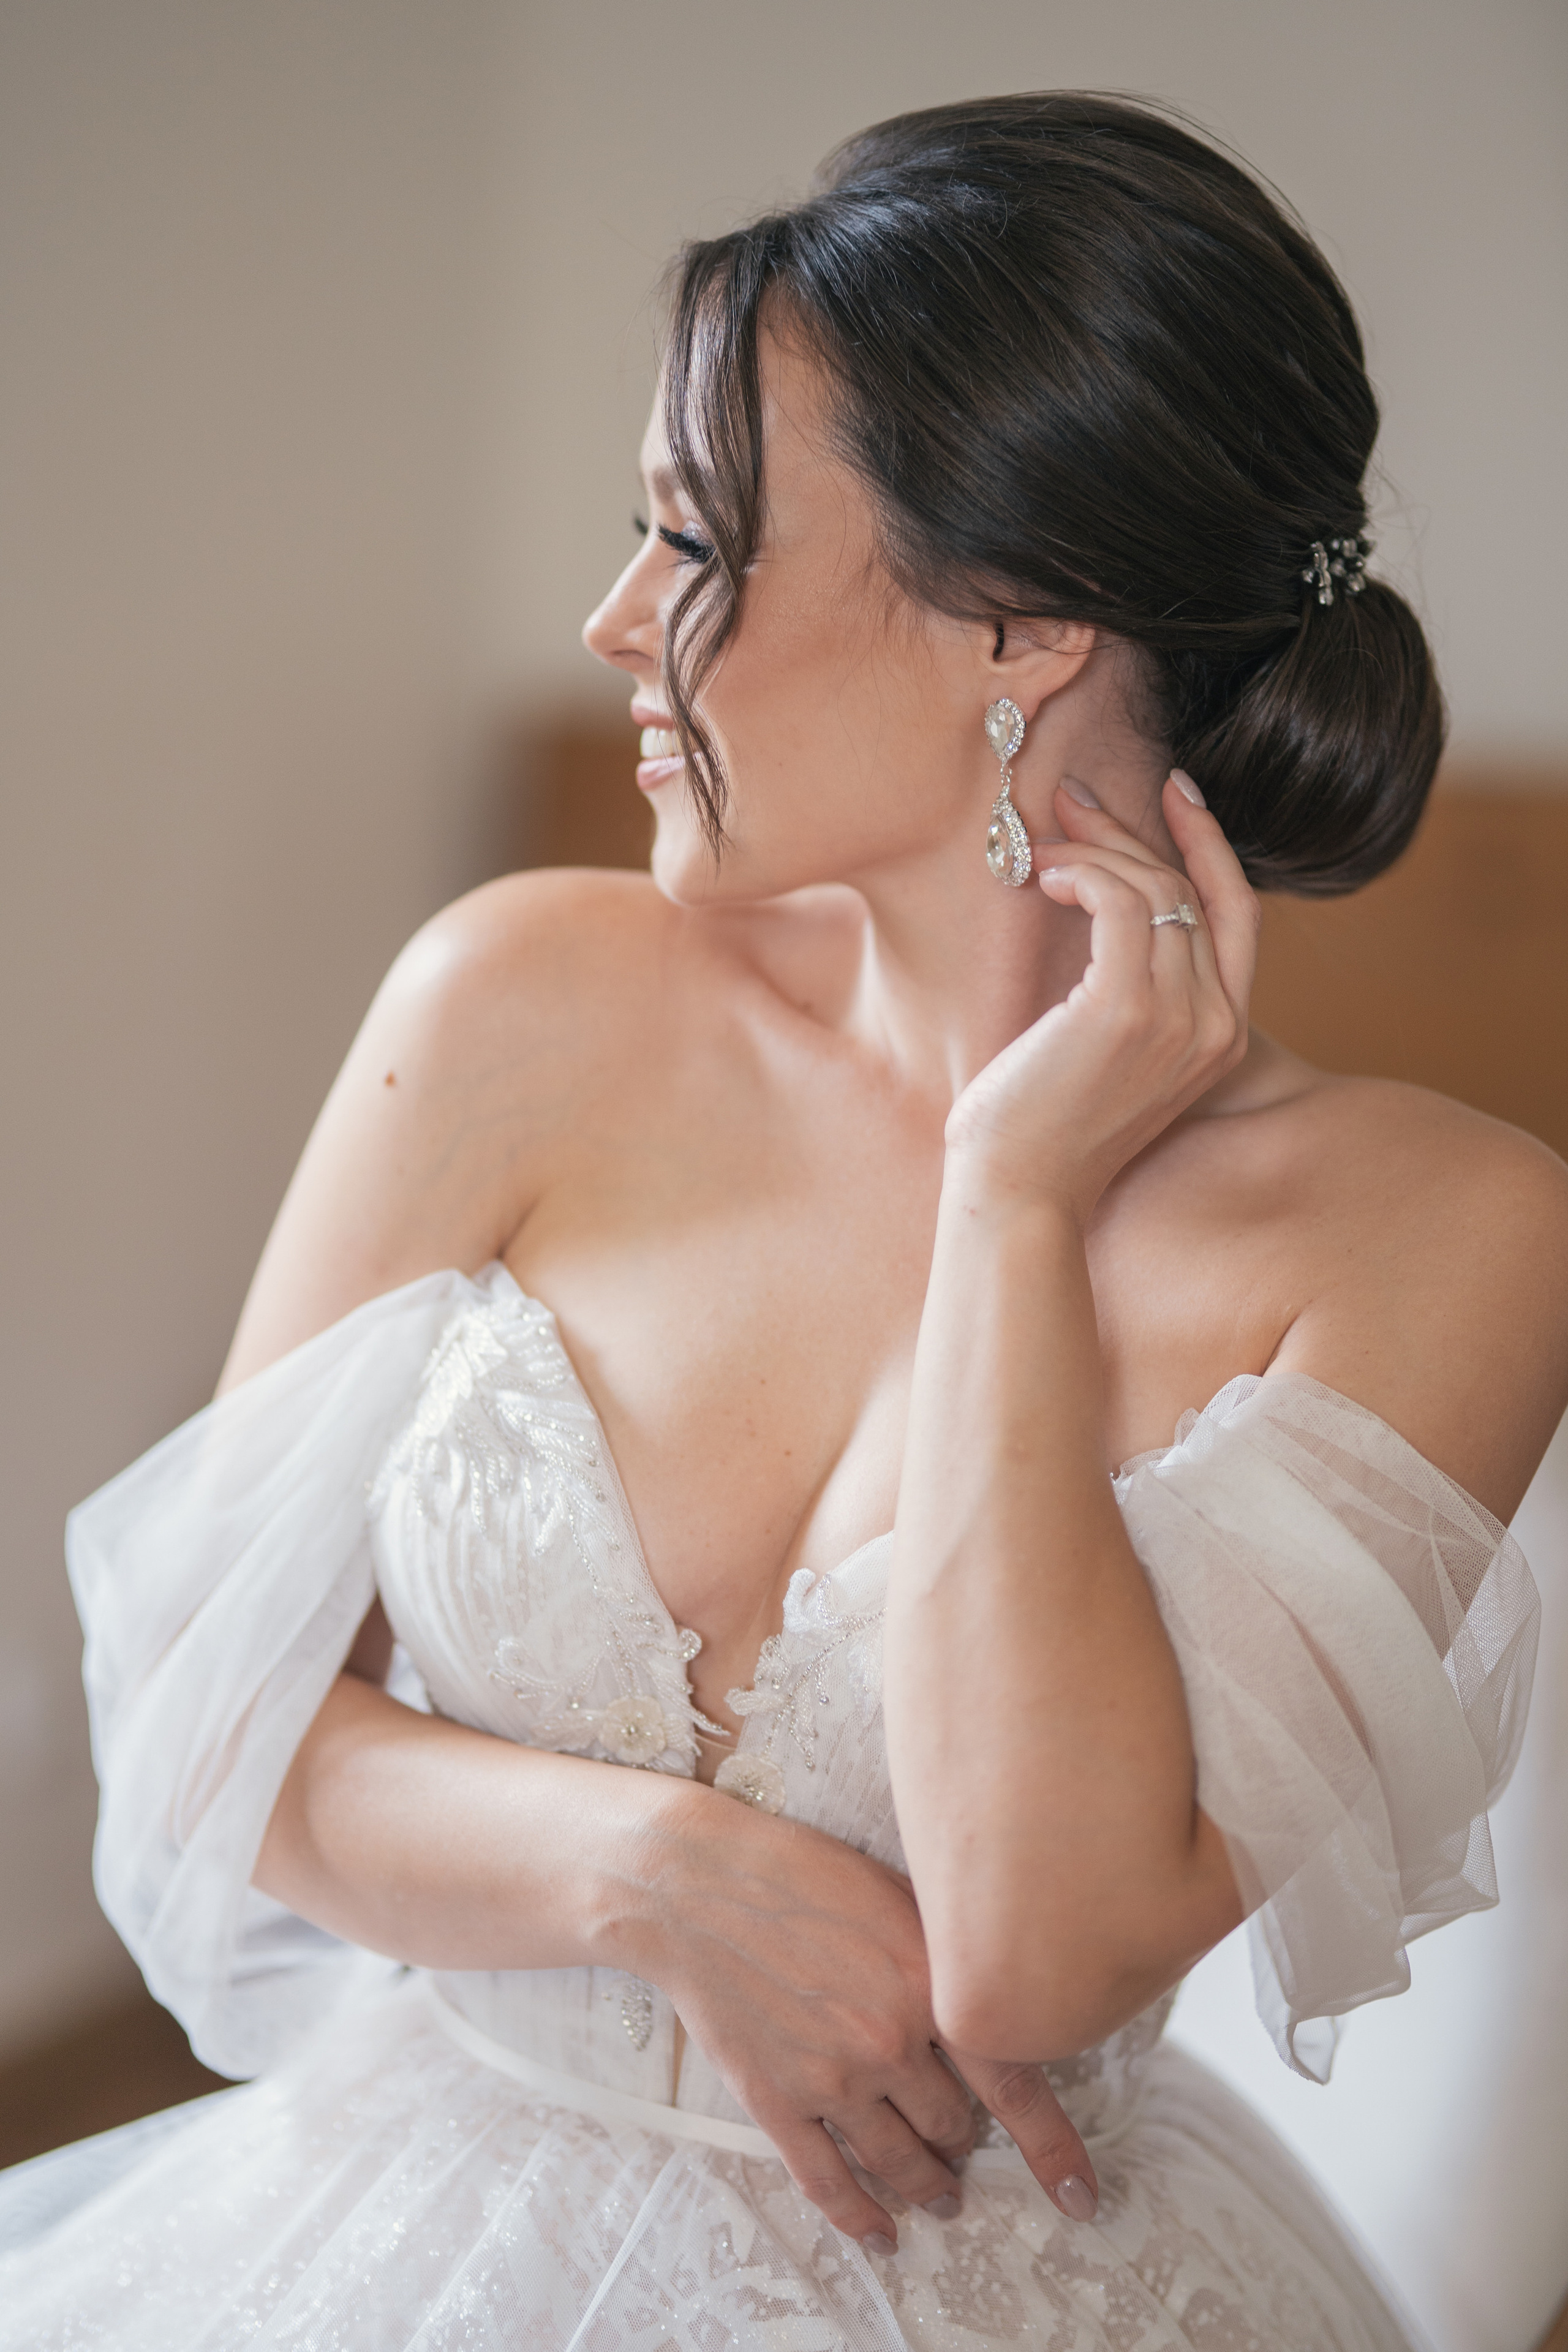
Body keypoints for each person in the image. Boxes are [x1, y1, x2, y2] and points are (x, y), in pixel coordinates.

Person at [2, 91, 1563, 2352]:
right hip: (385, 2233)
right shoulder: (518, 994)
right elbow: (197, 1723)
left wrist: (1014, 1203)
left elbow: (1036, 1957)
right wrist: (658, 1875)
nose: (619, 622)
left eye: (696, 543)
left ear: (1016, 629)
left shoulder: (1449, 1233)